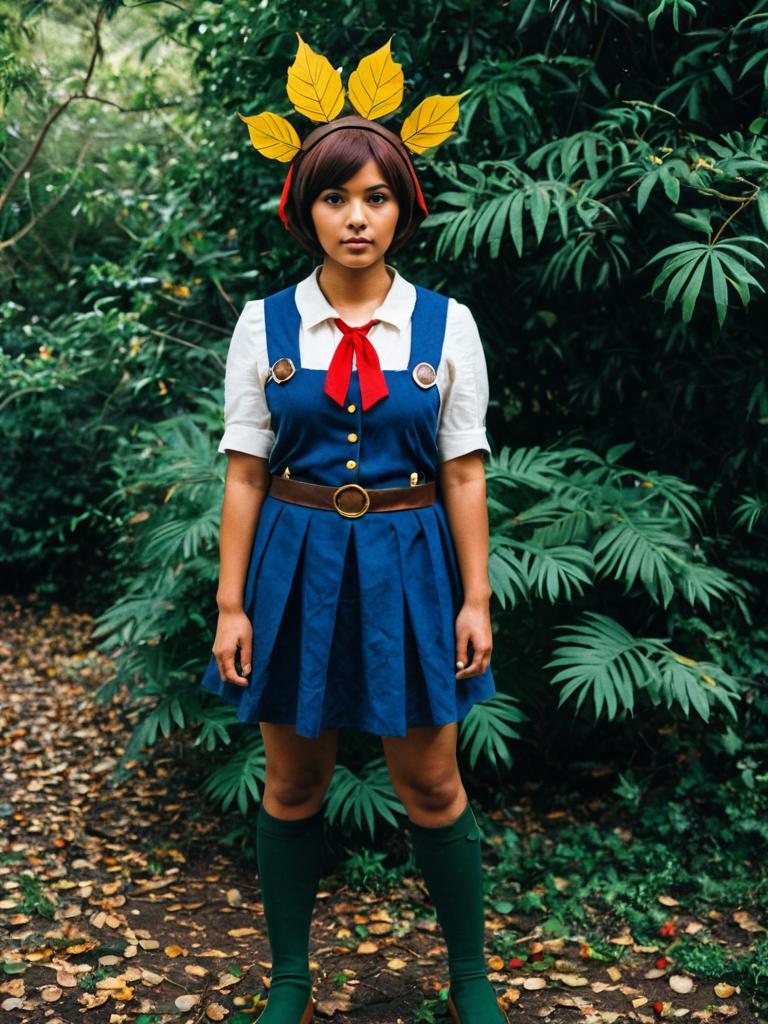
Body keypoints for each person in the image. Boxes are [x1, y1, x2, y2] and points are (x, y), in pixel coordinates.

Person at [199, 36, 508, 1024]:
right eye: (337, 198)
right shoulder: (265, 326)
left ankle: (471, 983)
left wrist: (475, 595)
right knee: (292, 782)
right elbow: (246, 472)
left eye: (375, 197)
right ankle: (290, 979)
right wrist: (231, 602)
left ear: (401, 209)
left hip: (414, 562)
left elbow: (464, 470)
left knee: (430, 778)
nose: (357, 217)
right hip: (293, 560)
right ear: (307, 209)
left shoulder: (447, 326)